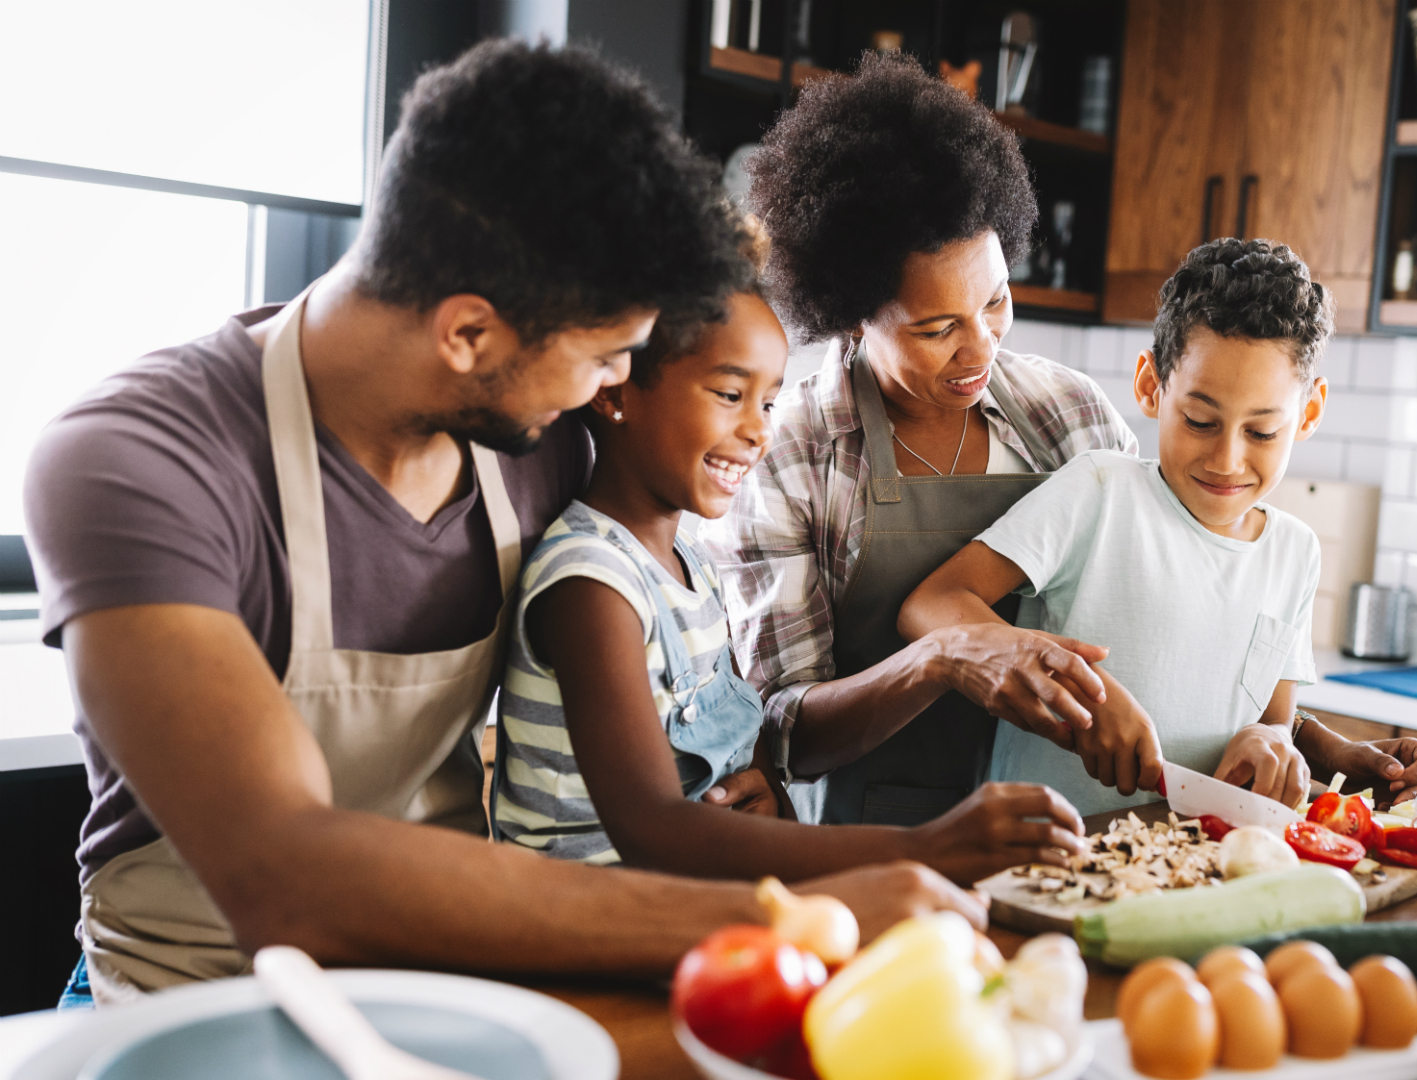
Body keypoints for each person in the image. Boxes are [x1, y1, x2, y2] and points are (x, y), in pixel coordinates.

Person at [27, 41, 977, 1008]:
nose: (617, 387)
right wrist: (787, 912)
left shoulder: (539, 440)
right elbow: (285, 877)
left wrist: (731, 784)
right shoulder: (133, 463)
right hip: (189, 998)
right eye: (608, 356)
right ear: (469, 334)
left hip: (444, 987)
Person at [491, 235, 1086, 882]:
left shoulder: (689, 564)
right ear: (615, 393)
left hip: (678, 902)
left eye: (768, 401)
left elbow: (727, 761)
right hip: (584, 921)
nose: (759, 430)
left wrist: (762, 785)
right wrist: (922, 851)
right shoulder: (593, 585)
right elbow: (655, 830)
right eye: (729, 395)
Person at [705, 51, 1146, 828]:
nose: (981, 349)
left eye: (997, 303)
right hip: (871, 842)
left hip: (1069, 829)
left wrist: (1292, 731)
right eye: (938, 328)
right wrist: (942, 659)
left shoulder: (1070, 416)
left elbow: (1159, 608)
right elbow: (783, 732)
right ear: (852, 314)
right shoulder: (792, 451)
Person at [899, 239, 1417, 816]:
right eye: (1200, 420)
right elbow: (931, 605)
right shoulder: (1099, 493)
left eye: (1261, 432)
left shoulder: (1295, 553)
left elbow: (1272, 720)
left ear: (1307, 414)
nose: (1228, 460)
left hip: (1192, 870)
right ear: (1151, 386)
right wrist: (1078, 687)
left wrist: (1268, 743)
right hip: (1044, 859)